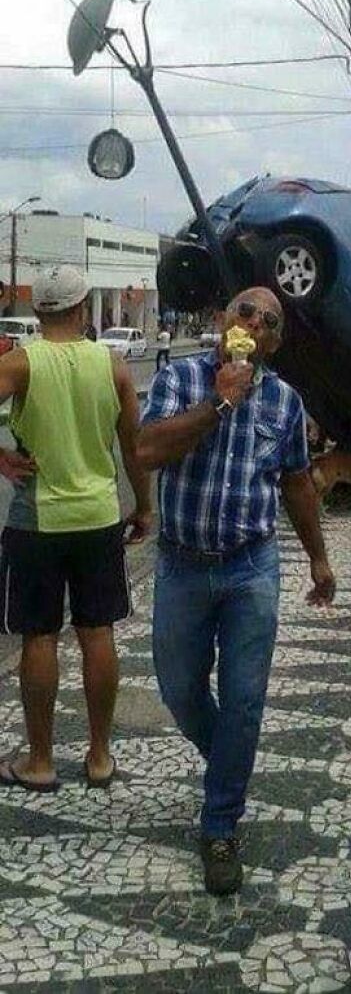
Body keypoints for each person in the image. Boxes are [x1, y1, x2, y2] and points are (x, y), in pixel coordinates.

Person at [137, 286, 336, 897]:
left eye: (269, 322)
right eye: (246, 312)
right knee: (179, 689)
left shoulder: (283, 401)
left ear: (274, 342)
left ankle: (220, 824)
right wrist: (220, 403)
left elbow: (298, 484)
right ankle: (230, 761)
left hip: (251, 567)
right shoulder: (180, 377)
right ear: (225, 320)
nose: (254, 323)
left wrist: (319, 559)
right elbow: (147, 450)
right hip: (182, 568)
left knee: (244, 698)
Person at [0, 265, 152, 792]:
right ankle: (100, 756)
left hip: (38, 522)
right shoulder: (111, 366)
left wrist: (2, 459)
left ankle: (40, 762)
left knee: (39, 636)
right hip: (98, 518)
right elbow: (133, 447)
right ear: (83, 308)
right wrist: (145, 508)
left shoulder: (20, 362)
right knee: (98, 632)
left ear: (38, 311)